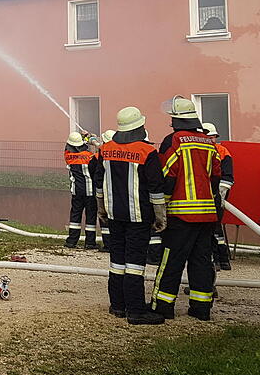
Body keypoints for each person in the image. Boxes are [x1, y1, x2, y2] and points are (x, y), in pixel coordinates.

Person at [93, 106, 167, 325]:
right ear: (139, 127)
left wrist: (101, 208)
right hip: (138, 216)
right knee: (134, 263)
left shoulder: (105, 149)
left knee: (117, 261)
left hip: (114, 214)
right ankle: (136, 311)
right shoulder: (147, 152)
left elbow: (99, 183)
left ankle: (117, 305)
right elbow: (155, 188)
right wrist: (160, 216)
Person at [151, 96, 221, 321]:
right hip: (207, 214)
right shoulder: (208, 142)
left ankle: (162, 306)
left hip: (181, 214)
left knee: (171, 260)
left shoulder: (174, 141)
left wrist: (162, 206)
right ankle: (201, 309)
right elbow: (216, 177)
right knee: (201, 260)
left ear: (176, 120)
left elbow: (167, 176)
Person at [203, 122, 234, 270]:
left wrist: (221, 194)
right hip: (204, 196)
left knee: (214, 227)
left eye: (214, 137)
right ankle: (220, 260)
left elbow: (227, 177)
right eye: (210, 137)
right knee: (214, 228)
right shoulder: (202, 150)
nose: (213, 140)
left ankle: (220, 260)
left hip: (217, 195)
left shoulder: (222, 151)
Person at [64, 131, 98, 249]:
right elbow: (99, 157)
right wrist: (89, 138)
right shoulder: (90, 156)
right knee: (90, 217)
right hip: (90, 192)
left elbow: (68, 147)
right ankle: (90, 242)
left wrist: (82, 138)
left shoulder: (68, 156)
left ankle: (71, 241)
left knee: (75, 216)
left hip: (76, 191)